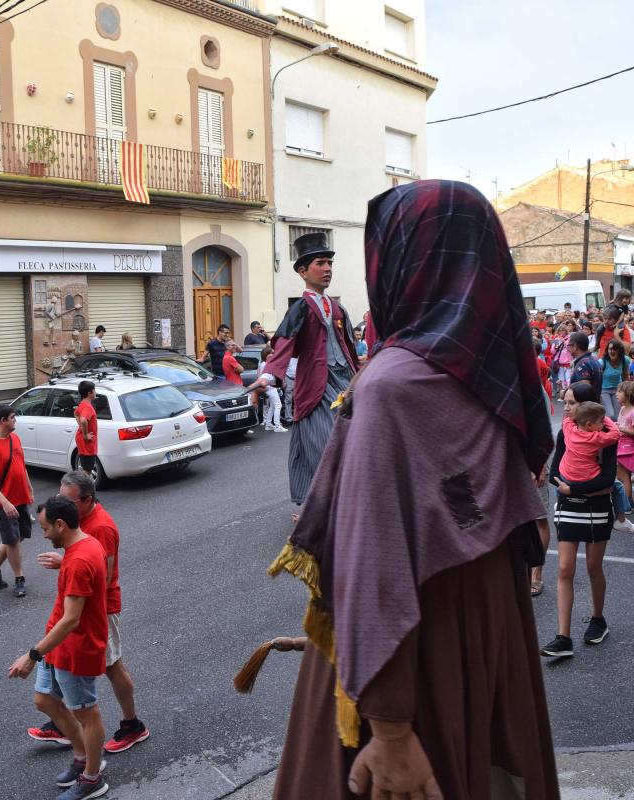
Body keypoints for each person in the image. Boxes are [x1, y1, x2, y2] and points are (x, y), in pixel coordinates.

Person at [268, 181, 558, 799]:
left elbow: (374, 558)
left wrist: (392, 726)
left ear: (401, 262)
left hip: (420, 653)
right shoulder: (494, 372)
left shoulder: (394, 387)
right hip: (482, 635)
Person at [28, 471, 150, 754]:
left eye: (69, 501)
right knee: (84, 666)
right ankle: (64, 724)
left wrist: (66, 564)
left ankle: (132, 725)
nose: (64, 506)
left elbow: (102, 580)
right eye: (60, 498)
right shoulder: (79, 522)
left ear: (88, 500)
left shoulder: (102, 528)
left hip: (100, 610)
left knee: (111, 665)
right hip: (84, 607)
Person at [9, 496, 109, 800]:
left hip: (75, 649)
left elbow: (71, 621)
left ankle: (93, 777)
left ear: (61, 525)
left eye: (45, 528)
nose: (44, 534)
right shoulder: (82, 546)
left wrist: (31, 655)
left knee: (87, 714)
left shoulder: (78, 560)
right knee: (45, 701)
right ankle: (81, 758)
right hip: (57, 646)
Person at [259, 231, 358, 506]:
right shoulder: (301, 307)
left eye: (330, 264)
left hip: (346, 382)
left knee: (360, 440)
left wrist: (364, 374)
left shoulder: (338, 308)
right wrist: (269, 374)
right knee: (322, 446)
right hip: (317, 387)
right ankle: (320, 505)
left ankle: (351, 501)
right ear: (303, 272)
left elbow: (350, 347)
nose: (327, 269)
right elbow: (284, 343)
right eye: (320, 264)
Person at [542, 383, 617, 659]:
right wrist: (583, 487)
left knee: (594, 567)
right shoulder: (566, 433)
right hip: (569, 507)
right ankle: (563, 637)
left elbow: (608, 479)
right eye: (567, 402)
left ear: (587, 408)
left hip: (595, 508)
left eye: (572, 403)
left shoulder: (605, 435)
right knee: (564, 569)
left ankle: (598, 619)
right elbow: (554, 475)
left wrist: (573, 488)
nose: (567, 407)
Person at [0, 404, 34, 598]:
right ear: (2, 421)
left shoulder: (15, 438)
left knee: (19, 536)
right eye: (12, 417)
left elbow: (21, 465)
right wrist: (5, 502)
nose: (15, 419)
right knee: (12, 540)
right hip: (5, 502)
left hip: (21, 497)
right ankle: (20, 578)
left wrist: (29, 487)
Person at [559, 402, 619, 483]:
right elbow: (616, 434)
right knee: (618, 487)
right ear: (589, 424)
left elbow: (567, 419)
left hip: (565, 475)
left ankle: (560, 494)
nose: (603, 423)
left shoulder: (569, 429)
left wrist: (580, 414)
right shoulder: (595, 438)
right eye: (601, 421)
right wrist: (607, 419)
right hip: (586, 478)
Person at [257, 345, 286, 432]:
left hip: (270, 387)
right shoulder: (264, 364)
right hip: (269, 387)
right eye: (271, 353)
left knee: (273, 406)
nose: (273, 355)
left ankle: (269, 424)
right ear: (266, 355)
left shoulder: (264, 364)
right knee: (278, 405)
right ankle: (277, 426)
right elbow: (263, 377)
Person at [598, 339, 630, 420]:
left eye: (614, 349)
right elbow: (596, 379)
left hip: (617, 389)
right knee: (610, 414)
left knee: (618, 415)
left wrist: (626, 391)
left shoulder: (624, 360)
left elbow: (625, 375)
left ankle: (615, 431)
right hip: (604, 390)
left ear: (620, 350)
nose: (611, 351)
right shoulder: (602, 362)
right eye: (609, 349)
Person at [568, 330, 602, 400]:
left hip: (584, 407)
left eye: (569, 345)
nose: (568, 349)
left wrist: (565, 392)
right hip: (593, 404)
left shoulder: (582, 363)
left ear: (575, 346)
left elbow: (584, 389)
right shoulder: (594, 360)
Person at [74, 380, 98, 477]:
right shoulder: (88, 407)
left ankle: (83, 490)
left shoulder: (83, 403)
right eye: (94, 390)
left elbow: (76, 413)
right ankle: (84, 491)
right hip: (87, 443)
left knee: (86, 469)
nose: (96, 392)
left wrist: (80, 426)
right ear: (89, 393)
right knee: (87, 471)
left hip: (82, 442)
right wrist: (85, 435)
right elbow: (84, 420)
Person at [617, 381, 634, 504]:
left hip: (628, 447)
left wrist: (622, 429)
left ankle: (626, 504)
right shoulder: (622, 408)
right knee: (622, 477)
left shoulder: (633, 412)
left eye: (619, 392)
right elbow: (620, 424)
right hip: (620, 445)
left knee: (624, 478)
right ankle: (628, 502)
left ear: (628, 394)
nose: (616, 394)